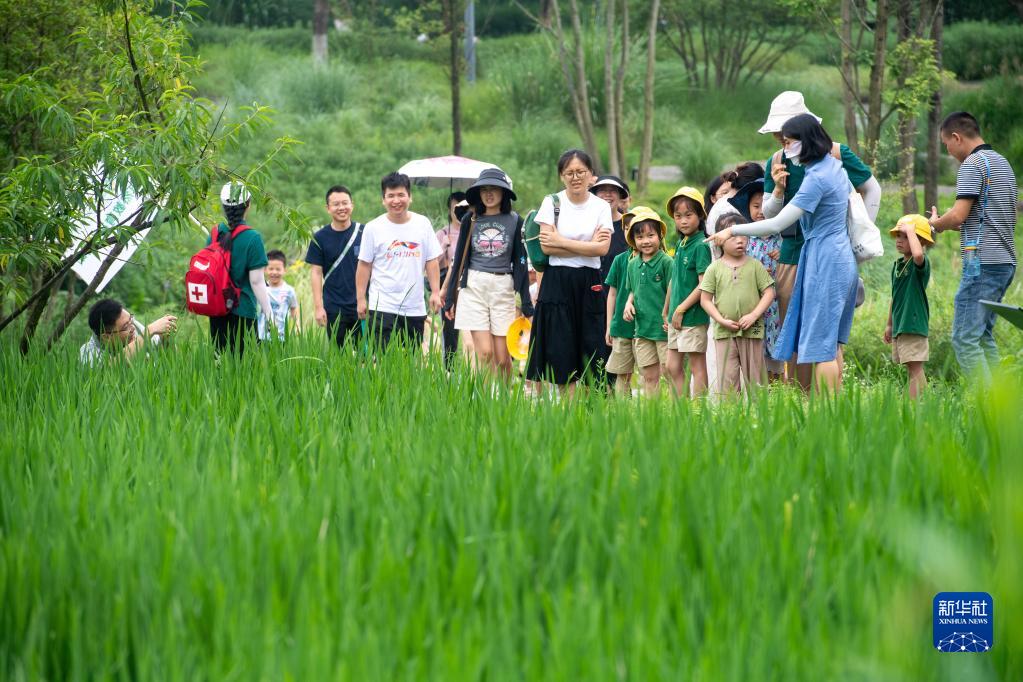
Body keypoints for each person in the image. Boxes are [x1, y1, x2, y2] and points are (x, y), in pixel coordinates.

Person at [709, 114, 858, 394]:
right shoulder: (833, 167)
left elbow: (777, 222)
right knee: (831, 341)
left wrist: (734, 231)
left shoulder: (818, 178)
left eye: (789, 143)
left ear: (806, 141)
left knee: (823, 346)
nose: (785, 150)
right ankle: (834, 408)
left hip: (825, 258)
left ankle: (826, 411)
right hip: (838, 254)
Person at [758, 90, 880, 389]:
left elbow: (872, 189)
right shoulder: (776, 159)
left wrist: (855, 240)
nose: (780, 138)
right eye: (777, 133)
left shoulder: (836, 154)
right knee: (794, 336)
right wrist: (777, 188)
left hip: (828, 254)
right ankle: (804, 402)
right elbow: (768, 214)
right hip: (791, 254)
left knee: (827, 339)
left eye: (785, 132)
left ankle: (827, 406)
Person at [928, 111, 1018, 380]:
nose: (948, 150)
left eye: (946, 144)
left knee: (964, 340)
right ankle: (1004, 405)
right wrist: (960, 222)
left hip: (983, 264)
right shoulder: (1002, 163)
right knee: (981, 337)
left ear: (956, 137)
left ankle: (987, 408)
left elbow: (958, 214)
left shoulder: (971, 164)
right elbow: (992, 215)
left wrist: (936, 223)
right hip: (1005, 261)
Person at [526, 149, 613, 391]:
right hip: (557, 281)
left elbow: (602, 249)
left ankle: (588, 412)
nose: (575, 177)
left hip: (589, 282)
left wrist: (560, 241)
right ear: (562, 176)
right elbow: (546, 245)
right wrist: (587, 245)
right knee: (560, 349)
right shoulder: (551, 202)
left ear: (591, 175)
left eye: (580, 172)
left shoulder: (600, 207)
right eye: (569, 173)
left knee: (591, 346)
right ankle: (566, 413)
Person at [443, 168, 533, 379]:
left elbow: (520, 262)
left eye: (494, 189)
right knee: (484, 353)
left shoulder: (515, 221)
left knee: (502, 358)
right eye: (484, 189)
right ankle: (487, 402)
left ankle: (504, 401)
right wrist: (449, 297)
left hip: (503, 286)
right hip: (474, 286)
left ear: (504, 193)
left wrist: (526, 301)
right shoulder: (470, 219)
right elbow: (459, 260)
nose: (489, 194)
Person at [356, 172, 442, 352]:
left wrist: (435, 292)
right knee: (381, 360)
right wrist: (360, 299)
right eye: (391, 196)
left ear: (410, 197)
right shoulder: (373, 228)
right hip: (382, 305)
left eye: (401, 195)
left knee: (410, 360)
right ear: (383, 199)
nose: (396, 200)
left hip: (414, 307)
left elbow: (431, 261)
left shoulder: (422, 224)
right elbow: (364, 266)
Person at [700, 215, 776, 395]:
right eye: (733, 236)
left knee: (756, 381)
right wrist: (720, 320)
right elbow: (705, 300)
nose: (740, 240)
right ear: (720, 239)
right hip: (724, 331)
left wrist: (753, 316)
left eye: (743, 235)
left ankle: (759, 417)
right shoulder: (714, 268)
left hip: (753, 329)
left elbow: (769, 292)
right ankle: (730, 417)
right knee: (727, 381)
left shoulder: (755, 265)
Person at [208, 181, 274, 355]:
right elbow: (257, 281)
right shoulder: (252, 237)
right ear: (248, 205)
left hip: (217, 311)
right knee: (245, 368)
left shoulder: (215, 233)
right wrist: (269, 313)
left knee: (220, 364)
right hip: (243, 309)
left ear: (224, 206)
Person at [728, 179, 783, 379]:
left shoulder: (784, 238)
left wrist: (784, 255)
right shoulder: (746, 240)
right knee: (756, 352)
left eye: (765, 206)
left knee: (778, 352)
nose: (761, 211)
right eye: (756, 206)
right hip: (753, 305)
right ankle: (760, 391)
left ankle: (782, 388)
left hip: (778, 303)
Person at [664, 186, 711, 398]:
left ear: (700, 215)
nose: (683, 221)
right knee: (671, 366)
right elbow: (675, 279)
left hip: (691, 316)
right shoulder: (681, 243)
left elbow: (704, 284)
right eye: (678, 216)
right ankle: (680, 411)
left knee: (696, 365)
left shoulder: (700, 244)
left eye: (688, 215)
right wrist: (667, 309)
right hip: (676, 315)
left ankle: (699, 412)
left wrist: (681, 308)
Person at [621, 207, 672, 397]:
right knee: (649, 376)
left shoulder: (666, 262)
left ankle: (678, 411)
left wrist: (668, 315)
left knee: (670, 372)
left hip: (663, 329)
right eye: (640, 237)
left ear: (660, 236)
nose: (646, 241)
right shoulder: (633, 264)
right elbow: (633, 289)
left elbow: (672, 291)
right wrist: (628, 304)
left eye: (651, 235)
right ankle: (653, 413)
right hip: (642, 329)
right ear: (634, 241)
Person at [307, 185, 364, 349]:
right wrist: (319, 308)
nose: (341, 208)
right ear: (328, 208)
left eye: (345, 203)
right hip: (334, 307)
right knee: (338, 355)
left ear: (352, 205)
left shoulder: (365, 232)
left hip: (362, 305)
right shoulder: (319, 237)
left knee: (366, 356)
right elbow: (316, 273)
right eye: (336, 204)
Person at [884, 214, 934, 399]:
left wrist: (911, 231)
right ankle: (918, 403)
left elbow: (919, 254)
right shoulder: (898, 265)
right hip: (901, 324)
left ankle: (915, 405)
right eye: (898, 235)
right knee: (910, 367)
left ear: (919, 240)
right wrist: (890, 324)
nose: (899, 240)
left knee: (915, 367)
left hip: (913, 323)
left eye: (905, 236)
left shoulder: (919, 264)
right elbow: (894, 297)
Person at [80, 298, 177, 366]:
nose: (133, 328)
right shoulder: (87, 353)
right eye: (126, 326)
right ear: (106, 337)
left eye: (131, 319)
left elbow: (170, 359)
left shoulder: (132, 325)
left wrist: (167, 338)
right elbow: (109, 368)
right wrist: (149, 331)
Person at [436, 191, 468, 368]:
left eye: (462, 206)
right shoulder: (442, 233)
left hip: (467, 283)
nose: (458, 210)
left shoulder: (472, 228)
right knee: (449, 327)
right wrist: (443, 246)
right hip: (448, 284)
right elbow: (433, 263)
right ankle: (449, 367)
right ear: (450, 209)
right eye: (454, 206)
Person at [604, 226, 636, 396]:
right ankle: (622, 412)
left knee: (649, 373)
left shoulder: (661, 260)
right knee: (621, 373)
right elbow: (612, 293)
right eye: (627, 227)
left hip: (647, 326)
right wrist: (609, 325)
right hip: (622, 326)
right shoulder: (620, 259)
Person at [258, 250, 300, 342]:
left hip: (281, 338)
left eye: (278, 269)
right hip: (261, 336)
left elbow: (294, 308)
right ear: (265, 269)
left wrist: (297, 325)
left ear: (284, 270)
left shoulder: (289, 290)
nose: (274, 272)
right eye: (271, 269)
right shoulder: (261, 289)